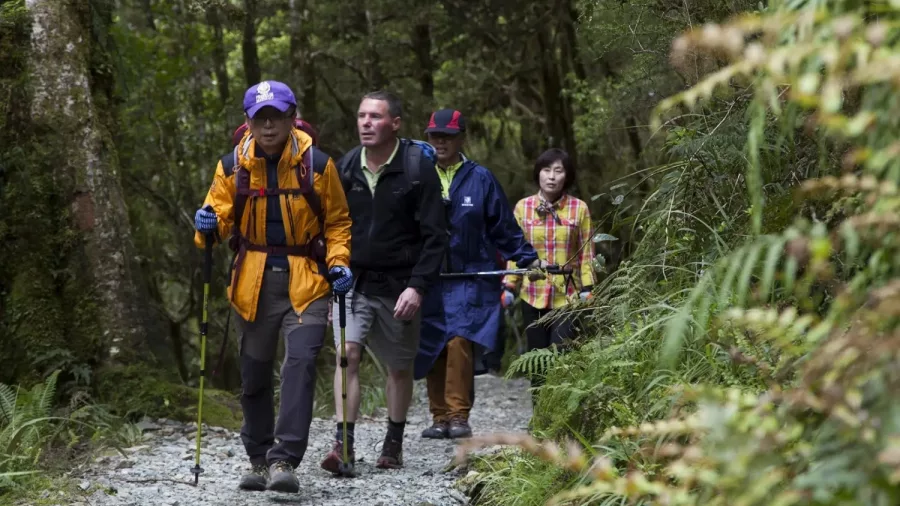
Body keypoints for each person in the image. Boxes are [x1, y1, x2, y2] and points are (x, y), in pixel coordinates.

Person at [193, 80, 353, 493]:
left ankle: (284, 459)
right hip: (253, 281)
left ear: (291, 118)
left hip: (309, 280)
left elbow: (337, 222)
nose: (268, 127)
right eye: (259, 118)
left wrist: (339, 263)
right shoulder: (232, 166)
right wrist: (207, 226)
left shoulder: (317, 164)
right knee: (254, 374)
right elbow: (219, 216)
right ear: (247, 122)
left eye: (276, 117)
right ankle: (259, 458)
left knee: (299, 365)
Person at [319, 90, 447, 473]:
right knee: (347, 355)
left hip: (400, 287)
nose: (366, 123)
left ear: (395, 123)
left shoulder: (416, 168)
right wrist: (331, 286)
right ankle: (344, 444)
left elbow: (436, 236)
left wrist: (418, 286)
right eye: (361, 116)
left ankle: (393, 442)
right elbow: (332, 230)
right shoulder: (344, 167)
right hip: (352, 283)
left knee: (398, 369)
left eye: (375, 117)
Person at [415, 108, 545, 440]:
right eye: (434, 135)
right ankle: (439, 416)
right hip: (428, 277)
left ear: (461, 138)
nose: (440, 141)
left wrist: (527, 258)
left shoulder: (480, 178)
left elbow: (503, 227)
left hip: (469, 277)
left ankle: (458, 414)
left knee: (459, 339)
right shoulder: (416, 174)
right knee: (433, 343)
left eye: (447, 135)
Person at [501, 148, 595, 405]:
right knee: (536, 358)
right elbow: (515, 250)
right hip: (532, 294)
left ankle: (559, 415)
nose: (551, 177)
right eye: (546, 170)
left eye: (558, 170)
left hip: (568, 295)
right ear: (538, 174)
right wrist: (510, 286)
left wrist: (588, 287)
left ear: (567, 176)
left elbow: (586, 252)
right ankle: (540, 417)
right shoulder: (523, 208)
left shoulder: (579, 209)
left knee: (560, 355)